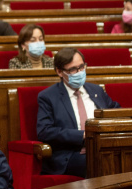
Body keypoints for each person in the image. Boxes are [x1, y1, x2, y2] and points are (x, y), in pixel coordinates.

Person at [36, 48, 120, 178]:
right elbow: (45, 131)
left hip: (103, 148)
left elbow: (116, 112)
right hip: (71, 155)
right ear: (59, 72)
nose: (79, 72)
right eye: (73, 70)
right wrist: (82, 135)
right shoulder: (48, 97)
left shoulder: (96, 90)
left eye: (82, 67)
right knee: (95, 162)